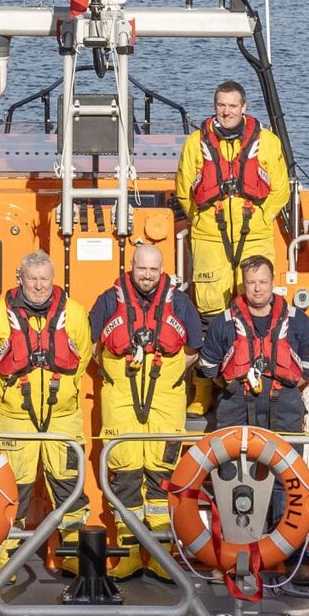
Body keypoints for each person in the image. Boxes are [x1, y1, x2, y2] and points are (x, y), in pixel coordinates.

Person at [175, 79, 290, 414]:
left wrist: (263, 217)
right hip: (211, 238)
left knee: (256, 307)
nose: (226, 111)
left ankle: (256, 384)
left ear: (244, 107)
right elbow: (185, 189)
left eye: (232, 105)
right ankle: (203, 390)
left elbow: (279, 189)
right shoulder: (196, 144)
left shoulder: (267, 143)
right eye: (221, 105)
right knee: (210, 315)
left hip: (254, 236)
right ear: (215, 107)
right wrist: (202, 222)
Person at [89, 244, 203, 579]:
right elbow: (91, 344)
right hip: (120, 399)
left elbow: (194, 347)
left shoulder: (180, 302)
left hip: (165, 401)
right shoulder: (108, 300)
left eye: (154, 269)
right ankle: (127, 553)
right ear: (132, 267)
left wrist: (169, 375)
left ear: (162, 269)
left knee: (161, 477)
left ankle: (159, 555)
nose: (148, 275)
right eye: (142, 269)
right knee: (124, 475)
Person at [0, 251, 92, 571]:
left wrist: (64, 392)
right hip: (16, 418)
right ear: (20, 278)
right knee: (13, 488)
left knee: (69, 485)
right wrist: (9, 394)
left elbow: (82, 357)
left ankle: (71, 555)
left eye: (45, 278)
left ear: (52, 280)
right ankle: (7, 557)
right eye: (33, 278)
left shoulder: (75, 312)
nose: (39, 285)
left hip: (63, 417)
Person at [197, 254, 309, 434]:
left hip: (285, 406)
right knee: (233, 460)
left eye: (263, 282)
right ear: (244, 285)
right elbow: (209, 366)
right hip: (235, 406)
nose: (257, 288)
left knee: (287, 459)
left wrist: (289, 386)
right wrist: (232, 386)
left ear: (272, 282)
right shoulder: (223, 323)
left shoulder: (299, 321)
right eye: (251, 282)